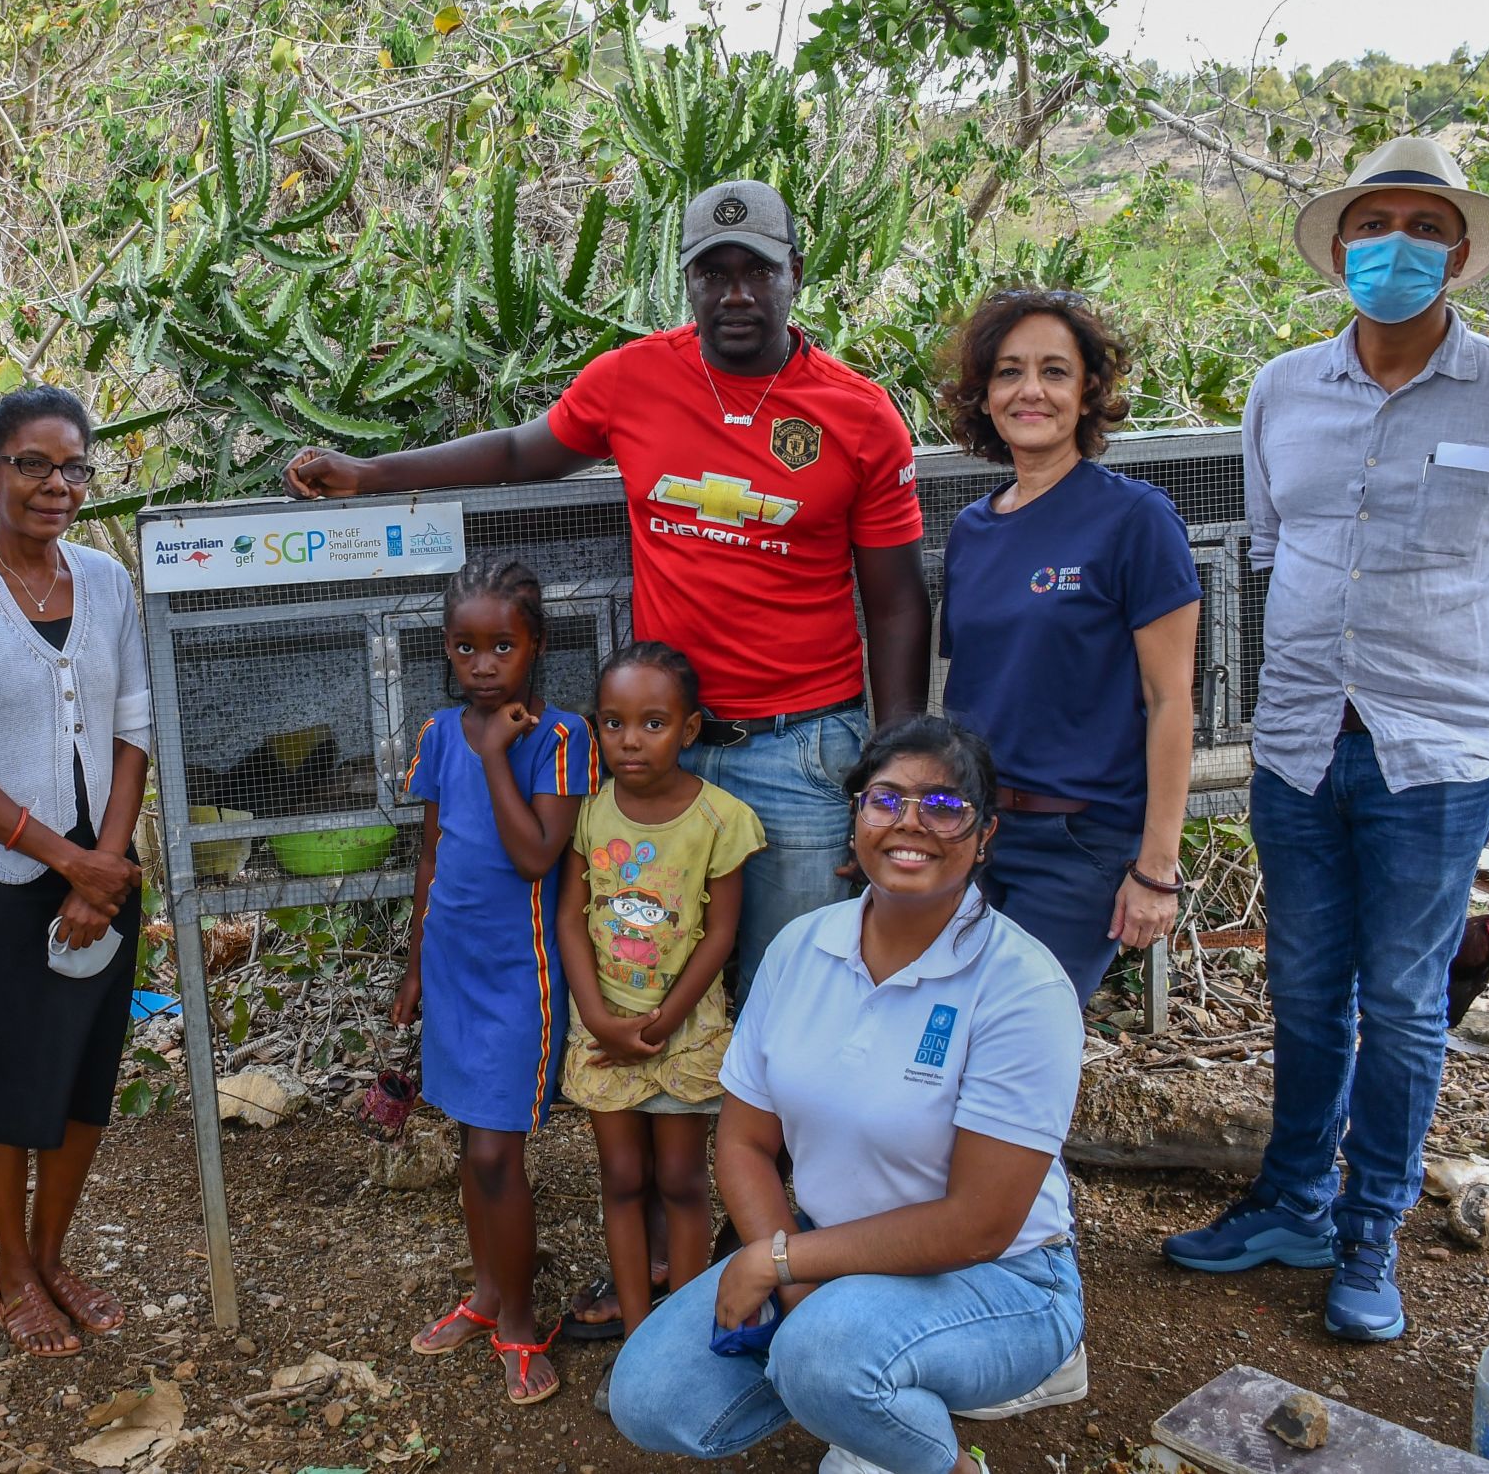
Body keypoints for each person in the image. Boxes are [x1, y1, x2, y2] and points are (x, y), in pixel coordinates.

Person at [285, 178, 930, 993]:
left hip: (801, 753)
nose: (735, 293)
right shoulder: (634, 378)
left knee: (792, 990)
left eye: (757, 271)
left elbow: (900, 601)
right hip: (658, 750)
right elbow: (524, 452)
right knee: (649, 979)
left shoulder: (860, 415)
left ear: (795, 271)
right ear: (686, 280)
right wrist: (372, 473)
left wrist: (895, 765)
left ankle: (777, 1130)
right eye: (712, 272)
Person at [1165, 136, 1489, 1342]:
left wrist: (1446, 658)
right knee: (1304, 991)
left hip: (1438, 752)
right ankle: (1293, 1201)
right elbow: (1263, 551)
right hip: (1299, 739)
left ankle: (1369, 1234)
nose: (1392, 247)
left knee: (1401, 1002)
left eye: (1420, 225)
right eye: (1372, 224)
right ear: (1339, 247)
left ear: (1457, 252)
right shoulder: (1282, 388)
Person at [606, 717, 1090, 1471]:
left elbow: (981, 1223)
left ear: (985, 834)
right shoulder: (803, 946)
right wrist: (788, 1263)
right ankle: (858, 1391)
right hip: (829, 1252)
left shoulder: (1021, 986)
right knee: (649, 1393)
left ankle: (934, 1454)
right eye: (885, 799)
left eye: (944, 806)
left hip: (1003, 1279)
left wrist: (782, 1265)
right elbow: (743, 1141)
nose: (911, 824)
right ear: (856, 814)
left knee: (824, 1358)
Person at [0, 386, 153, 1360]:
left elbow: (132, 728)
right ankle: (10, 1266)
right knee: (3, 1079)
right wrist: (66, 864)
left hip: (103, 866)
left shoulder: (107, 582)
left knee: (84, 1073)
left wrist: (107, 865)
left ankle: (53, 1254)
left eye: (74, 467)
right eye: (33, 465)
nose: (57, 485)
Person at [936, 289, 1200, 1002]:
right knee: (943, 1034)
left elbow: (1170, 698)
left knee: (1020, 1043)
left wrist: (1156, 866)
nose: (1031, 390)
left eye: (1055, 371)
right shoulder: (971, 531)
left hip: (1080, 845)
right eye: (1009, 371)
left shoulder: (1135, 520)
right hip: (973, 835)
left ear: (1088, 394)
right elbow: (975, 693)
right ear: (985, 395)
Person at [397, 560, 593, 1407]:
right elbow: (433, 855)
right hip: (452, 964)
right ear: (447, 649)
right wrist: (413, 963)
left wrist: (492, 755)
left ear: (535, 646)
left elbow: (535, 855)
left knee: (494, 1150)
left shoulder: (558, 737)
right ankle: (484, 1293)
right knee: (469, 1149)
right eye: (466, 646)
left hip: (521, 974)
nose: (483, 663)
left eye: (502, 645)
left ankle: (521, 1315)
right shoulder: (442, 732)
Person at [557, 643, 761, 1353]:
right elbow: (570, 919)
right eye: (612, 723)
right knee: (620, 1177)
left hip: (685, 1030)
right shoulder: (590, 812)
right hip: (604, 1024)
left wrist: (668, 1017)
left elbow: (723, 931)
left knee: (678, 1178)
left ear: (690, 728)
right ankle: (643, 1343)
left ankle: (683, 1338)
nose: (630, 739)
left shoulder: (719, 820)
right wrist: (598, 1017)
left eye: (651, 722)